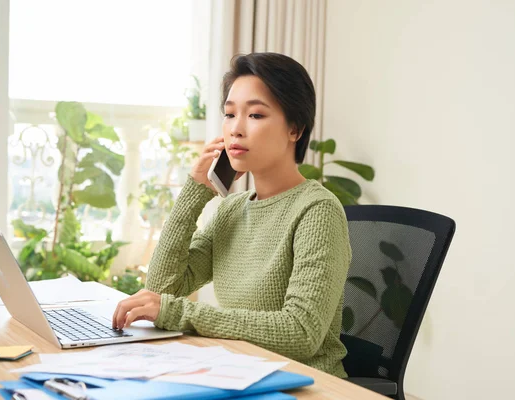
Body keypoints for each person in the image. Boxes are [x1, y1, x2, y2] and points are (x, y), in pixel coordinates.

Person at [112, 52, 352, 378]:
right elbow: (163, 287)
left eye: (255, 115)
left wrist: (178, 312)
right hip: (239, 373)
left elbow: (301, 332)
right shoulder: (231, 210)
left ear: (295, 128)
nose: (235, 129)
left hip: (304, 384)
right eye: (229, 114)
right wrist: (194, 191)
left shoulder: (317, 211)